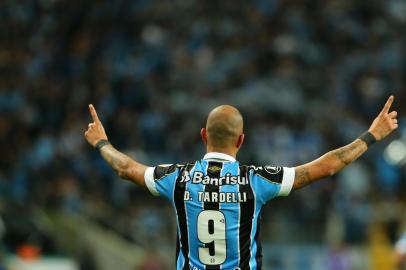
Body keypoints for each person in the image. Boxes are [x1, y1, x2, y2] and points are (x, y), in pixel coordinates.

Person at [84, 96, 398, 270]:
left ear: (203, 135)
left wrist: (101, 143)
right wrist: (371, 136)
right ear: (242, 140)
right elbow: (328, 166)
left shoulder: (176, 178)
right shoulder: (256, 181)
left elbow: (126, 168)